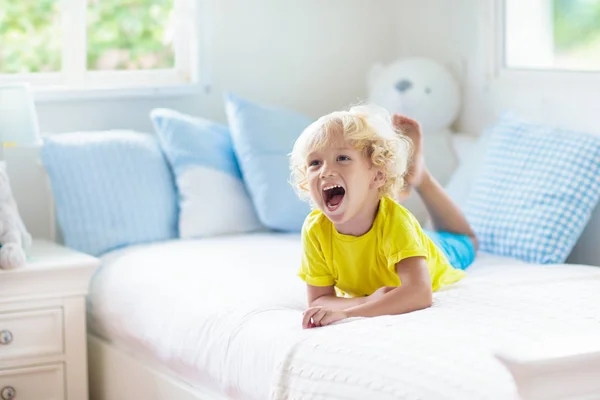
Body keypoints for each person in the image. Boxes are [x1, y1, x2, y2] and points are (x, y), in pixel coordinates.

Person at [289, 105, 477, 329]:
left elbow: (419, 293)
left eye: (342, 158)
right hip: (394, 241)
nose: (325, 171)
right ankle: (404, 183)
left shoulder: (396, 222)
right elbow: (319, 300)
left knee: (468, 241)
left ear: (377, 173)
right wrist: (368, 300)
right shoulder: (315, 229)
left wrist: (349, 312)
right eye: (315, 163)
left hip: (434, 250)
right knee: (379, 209)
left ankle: (420, 177)